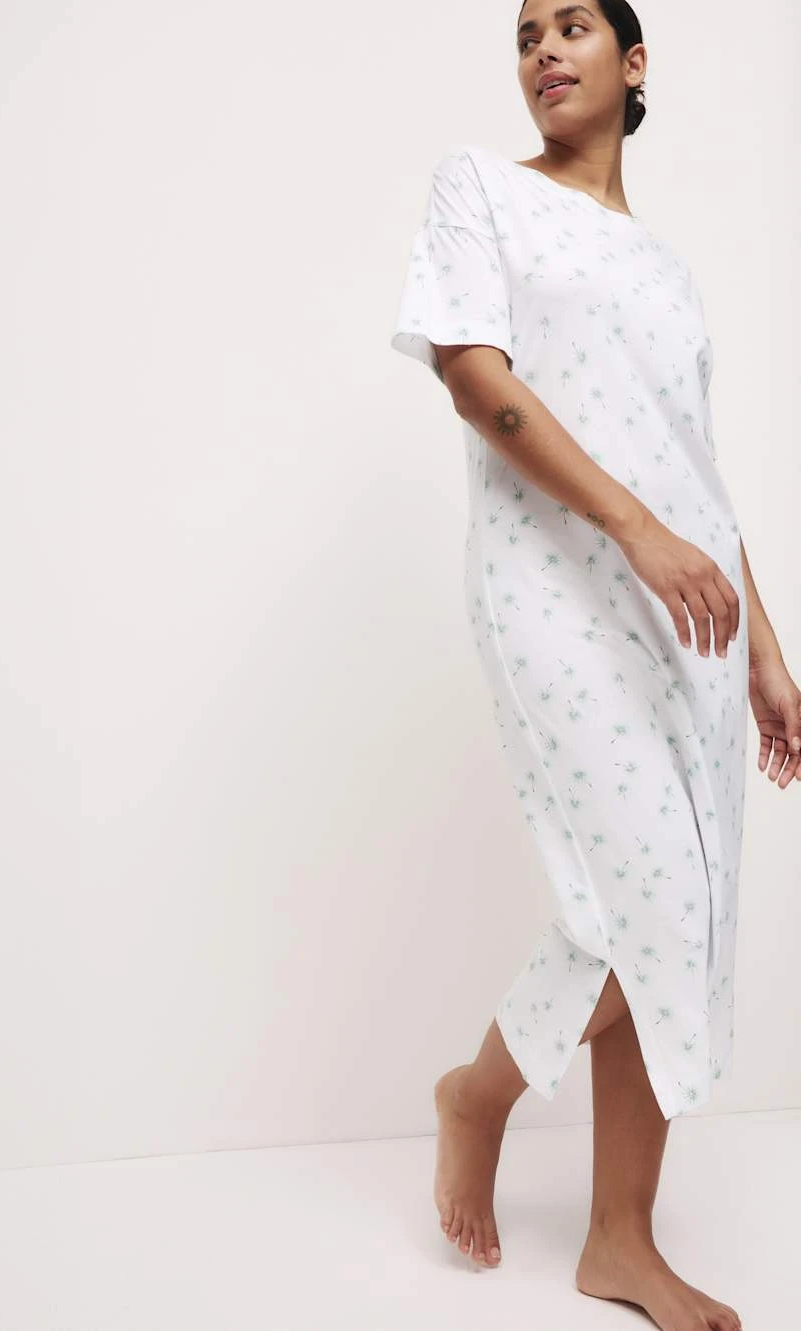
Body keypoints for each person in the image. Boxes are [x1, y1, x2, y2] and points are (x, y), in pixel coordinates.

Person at [389, 3, 798, 1327]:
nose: (544, 52)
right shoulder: (482, 191)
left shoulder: (668, 270)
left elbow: (696, 471)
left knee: (691, 911)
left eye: (573, 27)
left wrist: (766, 653)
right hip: (556, 590)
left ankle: (620, 1237)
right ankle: (479, 1095)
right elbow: (474, 378)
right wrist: (634, 531)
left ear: (635, 63)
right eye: (525, 36)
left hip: (689, 615)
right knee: (640, 907)